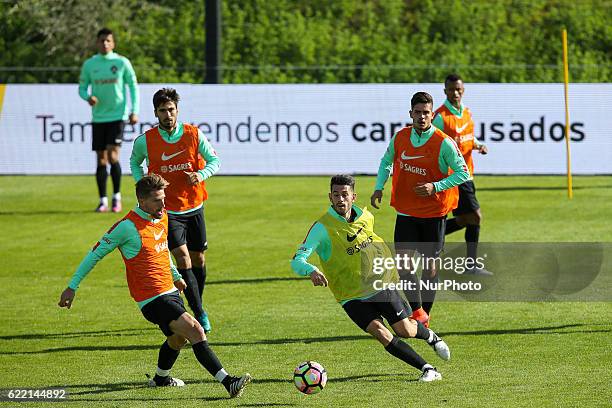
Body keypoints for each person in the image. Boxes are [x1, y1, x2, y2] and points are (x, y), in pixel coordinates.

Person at [58, 174, 250, 398]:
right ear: (141, 200)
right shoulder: (126, 227)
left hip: (170, 290)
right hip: (151, 298)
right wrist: (72, 287)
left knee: (177, 339)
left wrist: (175, 274)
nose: (163, 204)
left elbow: (162, 250)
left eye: (164, 198)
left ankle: (160, 379)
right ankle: (229, 382)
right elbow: (94, 255)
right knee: (196, 330)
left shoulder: (162, 216)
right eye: (157, 200)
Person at [291, 174, 451, 382]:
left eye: (345, 195)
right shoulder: (322, 228)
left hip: (380, 284)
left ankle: (431, 336)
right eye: (336, 195)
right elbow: (297, 260)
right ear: (330, 197)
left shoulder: (366, 217)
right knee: (381, 334)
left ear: (353, 197)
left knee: (405, 330)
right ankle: (428, 369)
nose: (340, 199)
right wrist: (311, 270)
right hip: (349, 295)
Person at [370, 92, 469, 327]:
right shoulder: (400, 137)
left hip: (434, 214)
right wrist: (378, 188)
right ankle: (417, 311)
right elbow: (386, 162)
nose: (422, 116)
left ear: (432, 114)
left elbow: (463, 173)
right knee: (403, 266)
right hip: (406, 212)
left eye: (426, 113)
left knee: (430, 268)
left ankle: (426, 313)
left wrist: (435, 186)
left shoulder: (443, 142)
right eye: (418, 112)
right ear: (411, 114)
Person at [130, 88, 219, 333]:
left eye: (171, 110)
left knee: (198, 259)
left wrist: (200, 175)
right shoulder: (145, 140)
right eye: (162, 111)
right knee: (182, 258)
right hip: (167, 211)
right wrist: (143, 185)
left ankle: (195, 304)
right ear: (155, 113)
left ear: (177, 111)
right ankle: (199, 312)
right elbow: (134, 162)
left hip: (194, 206)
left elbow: (215, 161)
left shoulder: (193, 134)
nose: (168, 114)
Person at [433, 74, 492, 276]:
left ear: (463, 90)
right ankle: (471, 265)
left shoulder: (466, 112)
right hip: (453, 177)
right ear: (445, 91)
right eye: (451, 89)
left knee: (465, 219)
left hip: (467, 174)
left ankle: (430, 237)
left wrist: (478, 145)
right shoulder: (440, 117)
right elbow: (432, 142)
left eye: (458, 89)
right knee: (475, 217)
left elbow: (467, 136)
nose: (455, 93)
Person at [79, 27, 139, 213]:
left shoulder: (121, 63)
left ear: (113, 43)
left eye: (108, 40)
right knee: (101, 159)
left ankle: (116, 198)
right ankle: (103, 200)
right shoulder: (90, 64)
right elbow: (81, 88)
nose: (105, 43)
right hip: (99, 117)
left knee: (113, 155)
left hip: (117, 116)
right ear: (97, 43)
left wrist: (134, 110)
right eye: (101, 40)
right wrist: (88, 97)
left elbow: (132, 86)